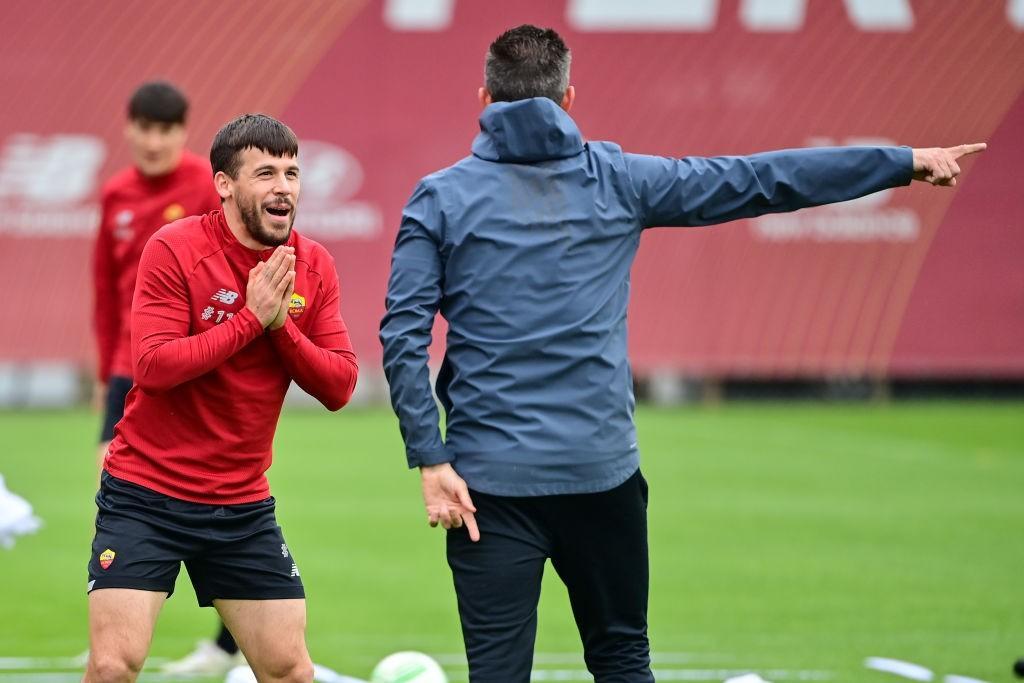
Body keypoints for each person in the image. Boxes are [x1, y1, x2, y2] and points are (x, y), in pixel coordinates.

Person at [379, 24, 986, 682]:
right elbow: (762, 179)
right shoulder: (620, 179)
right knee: (621, 658)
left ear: (485, 97)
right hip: (600, 473)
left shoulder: (440, 196)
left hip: (486, 484)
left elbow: (402, 335)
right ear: (570, 98)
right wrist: (903, 160)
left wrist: (429, 456)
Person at [84, 113, 358, 683]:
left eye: (292, 172)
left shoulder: (313, 266)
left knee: (289, 669)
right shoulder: (176, 249)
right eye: (265, 173)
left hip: (240, 505)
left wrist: (280, 326)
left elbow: (339, 386)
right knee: (114, 666)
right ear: (226, 184)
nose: (284, 186)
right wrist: (249, 320)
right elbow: (153, 366)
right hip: (145, 494)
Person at [90, 81, 244, 675]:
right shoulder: (114, 195)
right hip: (131, 374)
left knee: (220, 497)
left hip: (195, 370)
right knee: (116, 494)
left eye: (166, 130)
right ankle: (115, 634)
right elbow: (106, 293)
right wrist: (109, 373)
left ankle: (228, 643)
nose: (154, 141)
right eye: (144, 128)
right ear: (128, 127)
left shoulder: (207, 189)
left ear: (182, 133)